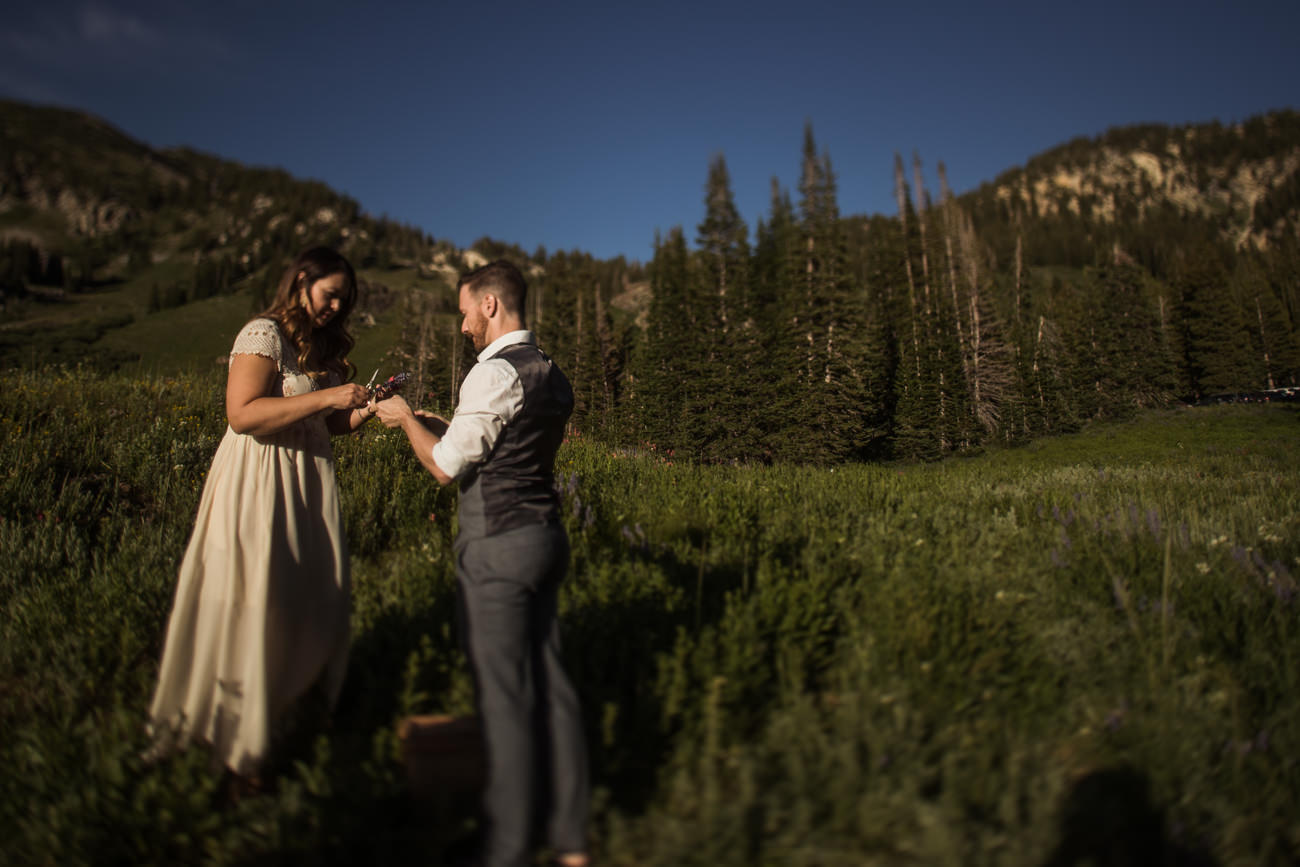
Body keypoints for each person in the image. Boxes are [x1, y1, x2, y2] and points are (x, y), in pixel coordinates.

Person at [374, 260, 589, 867]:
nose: (463, 324)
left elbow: (445, 468)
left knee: (504, 701)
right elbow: (502, 443)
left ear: (491, 304)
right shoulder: (549, 372)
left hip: (498, 547)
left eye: (466, 310)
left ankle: (507, 846)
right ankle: (572, 840)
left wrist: (407, 420)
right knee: (553, 690)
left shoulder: (492, 371)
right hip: (546, 536)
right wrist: (446, 427)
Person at [148, 246, 378, 781]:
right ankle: (235, 745)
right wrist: (328, 399)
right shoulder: (263, 333)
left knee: (307, 597)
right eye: (330, 294)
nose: (337, 306)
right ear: (301, 281)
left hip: (303, 487)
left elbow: (324, 426)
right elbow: (243, 413)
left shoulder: (316, 348)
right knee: (258, 596)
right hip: (259, 481)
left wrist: (362, 408)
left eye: (344, 299)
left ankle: (286, 713)